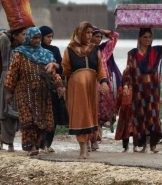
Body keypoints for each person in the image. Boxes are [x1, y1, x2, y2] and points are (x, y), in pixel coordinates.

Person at [5, 27, 65, 156]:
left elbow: (54, 73)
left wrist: (60, 85)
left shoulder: (46, 54)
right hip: (24, 92)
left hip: (42, 93)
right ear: (28, 38)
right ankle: (31, 146)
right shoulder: (19, 54)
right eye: (34, 38)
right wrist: (9, 92)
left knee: (41, 120)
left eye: (39, 38)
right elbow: (12, 74)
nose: (37, 40)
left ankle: (36, 145)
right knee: (28, 119)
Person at [122, 19, 162, 153]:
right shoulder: (132, 54)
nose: (148, 39)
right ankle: (141, 144)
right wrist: (126, 86)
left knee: (153, 116)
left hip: (153, 91)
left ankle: (153, 144)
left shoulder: (156, 52)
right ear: (139, 38)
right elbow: (128, 71)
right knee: (139, 116)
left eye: (150, 37)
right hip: (138, 91)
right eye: (145, 37)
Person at [63, 21, 110, 160]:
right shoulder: (70, 50)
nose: (89, 36)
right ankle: (82, 148)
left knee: (90, 115)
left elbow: (100, 69)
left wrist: (104, 82)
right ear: (80, 33)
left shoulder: (95, 50)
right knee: (80, 115)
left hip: (91, 87)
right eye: (87, 33)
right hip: (76, 88)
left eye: (91, 33)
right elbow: (65, 69)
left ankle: (88, 145)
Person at [0, 27, 27, 152]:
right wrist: (8, 33)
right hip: (7, 78)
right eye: (23, 34)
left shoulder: (23, 48)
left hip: (20, 81)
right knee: (7, 112)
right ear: (15, 35)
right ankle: (9, 143)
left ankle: (26, 142)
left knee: (20, 112)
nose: (25, 37)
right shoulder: (6, 43)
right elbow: (2, 38)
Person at [38, 25, 69, 153]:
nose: (50, 39)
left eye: (52, 37)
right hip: (39, 87)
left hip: (53, 86)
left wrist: (62, 85)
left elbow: (62, 68)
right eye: (48, 37)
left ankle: (47, 144)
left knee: (54, 116)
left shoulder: (54, 50)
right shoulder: (34, 50)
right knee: (41, 116)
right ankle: (39, 143)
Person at [89, 27, 121, 151]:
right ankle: (90, 139)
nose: (98, 39)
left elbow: (115, 36)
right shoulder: (84, 49)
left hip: (103, 83)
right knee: (91, 111)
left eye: (99, 37)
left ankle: (96, 139)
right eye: (95, 36)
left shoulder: (104, 50)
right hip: (89, 82)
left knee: (100, 113)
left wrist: (101, 31)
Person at [114, 83, 134, 152]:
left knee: (133, 129)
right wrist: (116, 110)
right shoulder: (121, 89)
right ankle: (126, 147)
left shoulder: (136, 87)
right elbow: (118, 101)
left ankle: (135, 146)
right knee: (125, 130)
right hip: (123, 113)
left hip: (133, 112)